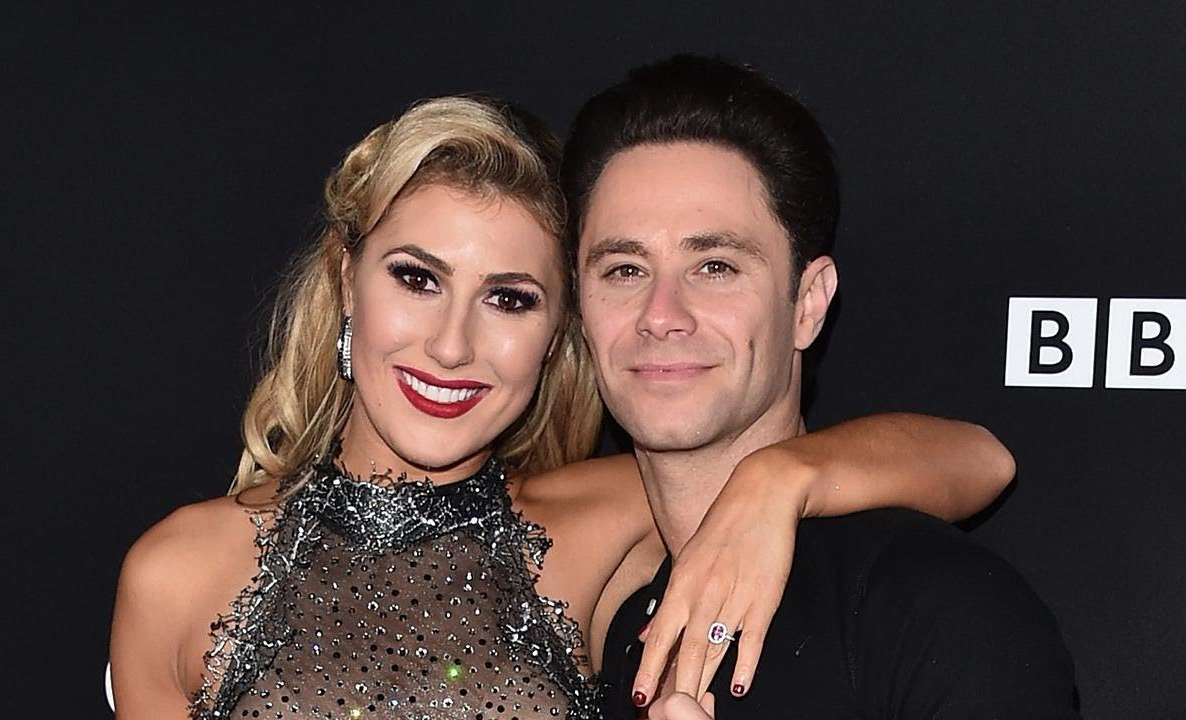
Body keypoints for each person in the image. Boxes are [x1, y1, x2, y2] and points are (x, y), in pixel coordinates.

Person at [109, 94, 1016, 719]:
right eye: (417, 279)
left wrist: (778, 482)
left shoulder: (611, 520)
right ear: (348, 281)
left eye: (510, 298)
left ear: (557, 334)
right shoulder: (175, 572)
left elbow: (979, 458)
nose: (452, 344)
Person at [559, 55, 1079, 718]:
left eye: (715, 266)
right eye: (624, 270)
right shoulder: (611, 628)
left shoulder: (931, 606)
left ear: (807, 303)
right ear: (580, 307)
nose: (661, 315)